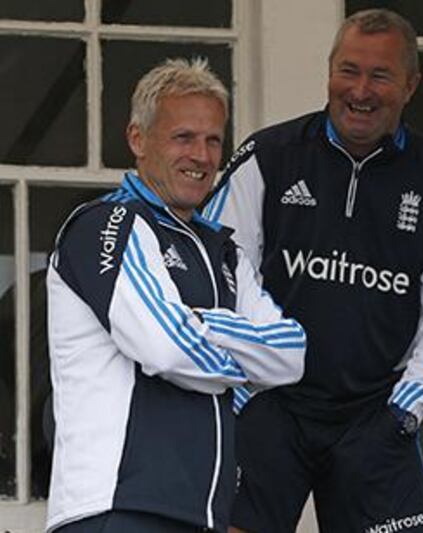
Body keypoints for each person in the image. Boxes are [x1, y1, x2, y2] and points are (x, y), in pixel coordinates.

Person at [204, 8, 423, 533]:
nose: (360, 90)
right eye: (348, 70)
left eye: (380, 75)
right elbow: (220, 271)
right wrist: (241, 387)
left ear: (411, 84)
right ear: (329, 70)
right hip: (270, 404)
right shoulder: (269, 156)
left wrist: (406, 410)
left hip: (374, 415)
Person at [46, 58, 307, 533]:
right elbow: (165, 349)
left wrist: (192, 323)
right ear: (138, 139)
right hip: (118, 508)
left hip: (202, 515)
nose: (202, 156)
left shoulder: (224, 251)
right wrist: (244, 356)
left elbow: (290, 354)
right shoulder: (107, 224)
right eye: (183, 137)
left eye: (212, 140)